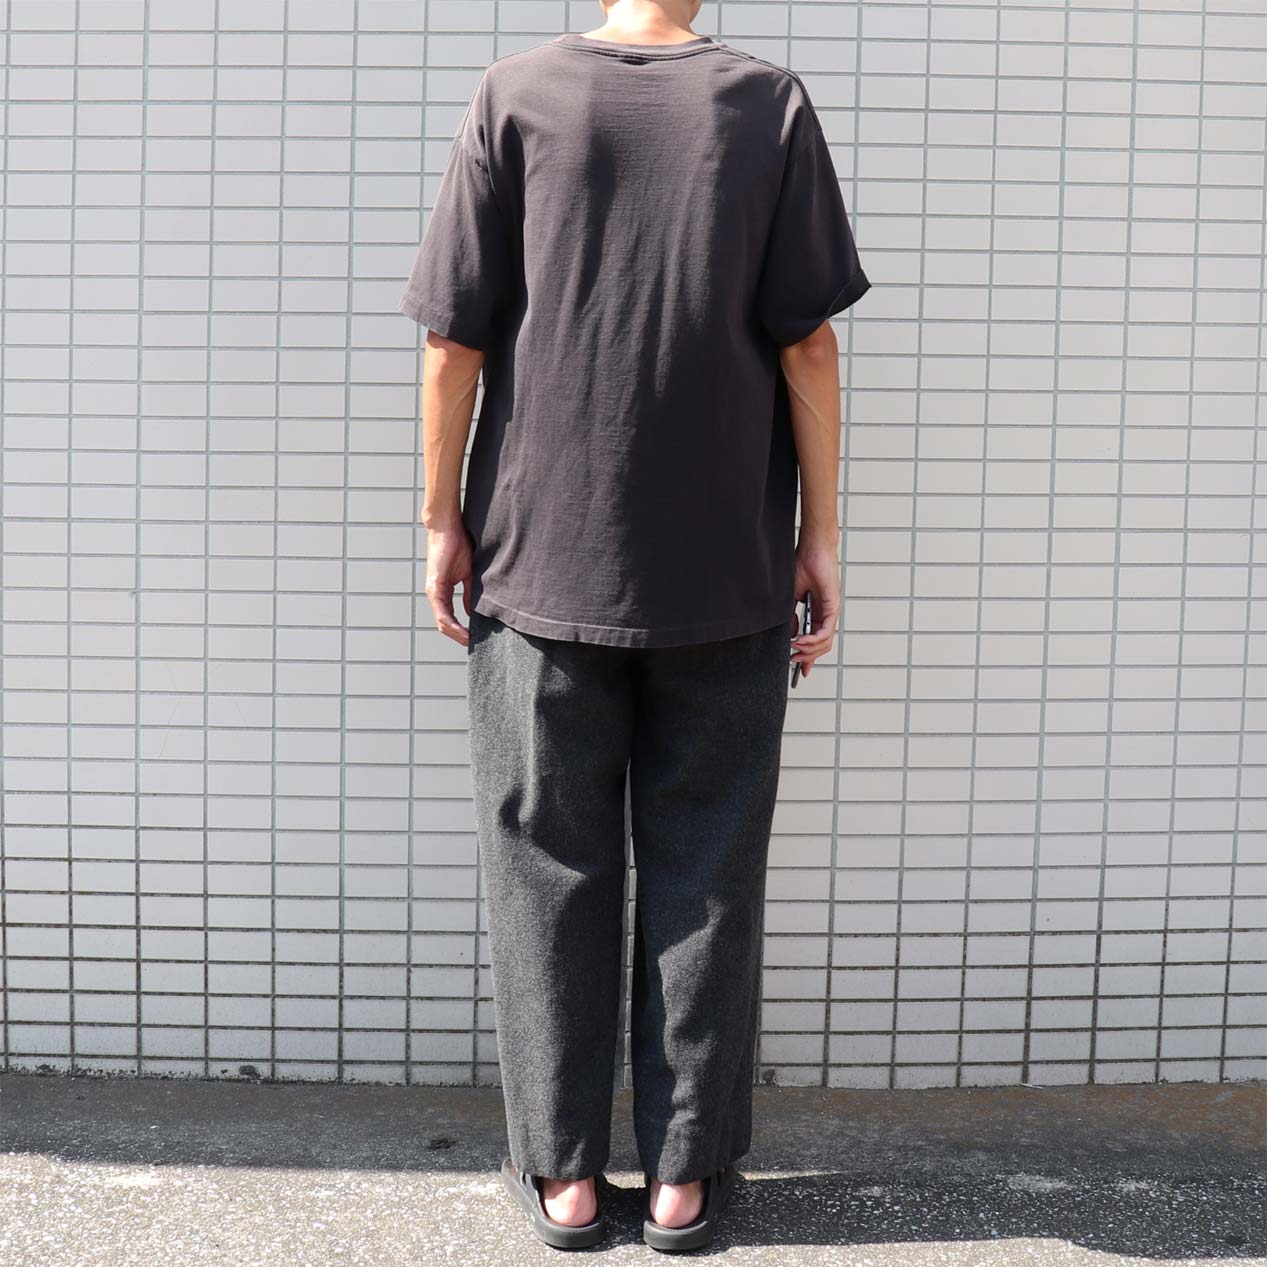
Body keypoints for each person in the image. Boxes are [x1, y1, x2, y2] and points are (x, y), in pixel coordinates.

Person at [399, 0, 869, 1251]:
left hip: (538, 558)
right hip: (722, 568)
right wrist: (820, 535)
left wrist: (439, 519)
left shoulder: (514, 96)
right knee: (706, 868)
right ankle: (679, 1180)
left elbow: (452, 340)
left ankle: (562, 1176)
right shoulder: (765, 104)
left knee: (545, 866)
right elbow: (809, 347)